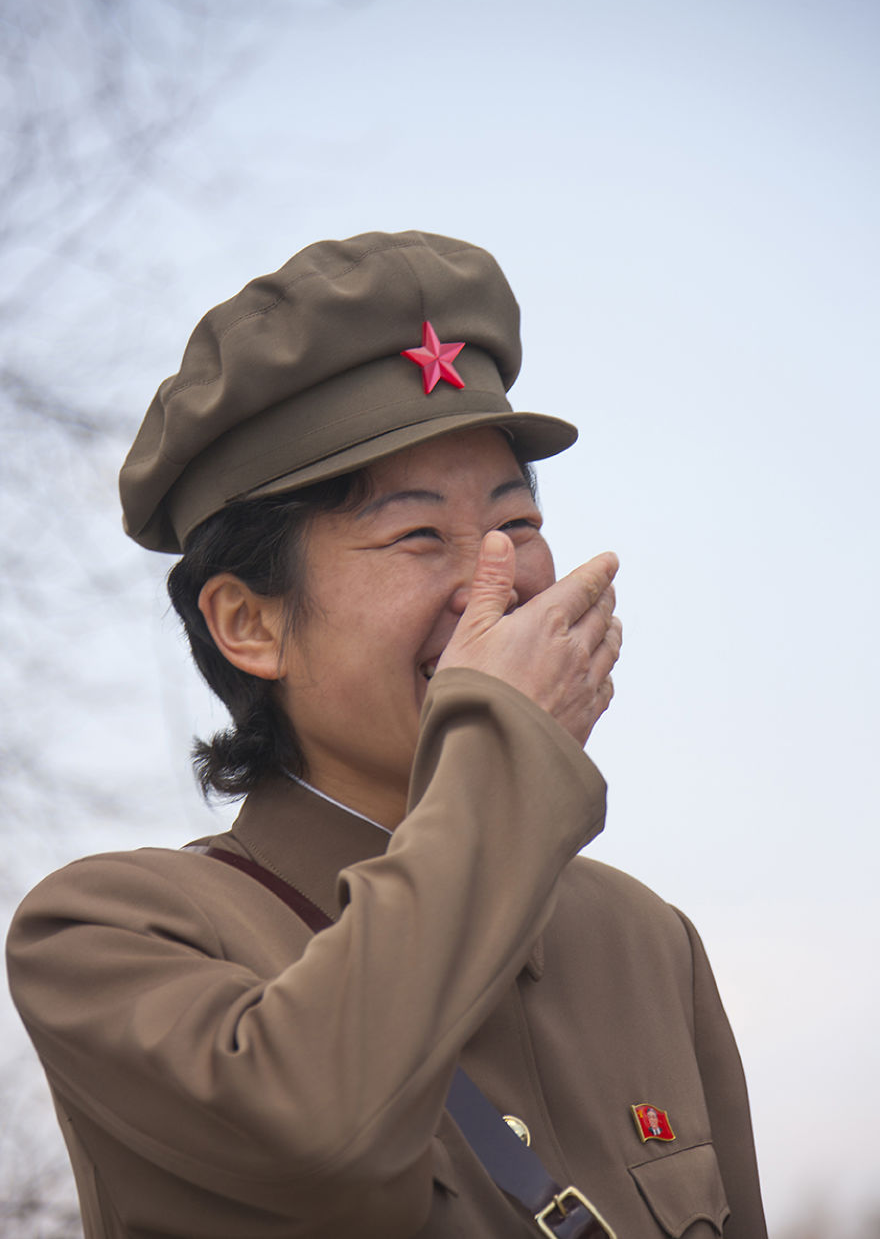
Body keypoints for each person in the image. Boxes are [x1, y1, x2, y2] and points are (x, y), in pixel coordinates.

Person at [6, 230, 767, 1238]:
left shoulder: (643, 942)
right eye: (418, 536)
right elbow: (320, 1132)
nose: (499, 581)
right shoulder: (108, 933)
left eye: (518, 526)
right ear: (250, 622)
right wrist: (506, 752)